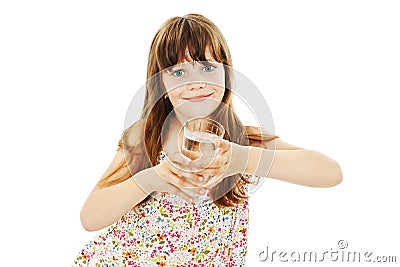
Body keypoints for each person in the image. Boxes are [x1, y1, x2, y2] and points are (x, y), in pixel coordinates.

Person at [72, 13, 343, 266]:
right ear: (162, 87)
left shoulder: (244, 141)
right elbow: (91, 217)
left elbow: (330, 172)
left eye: (207, 67)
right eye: (178, 73)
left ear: (226, 73)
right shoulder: (146, 137)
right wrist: (152, 178)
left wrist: (243, 158)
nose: (195, 83)